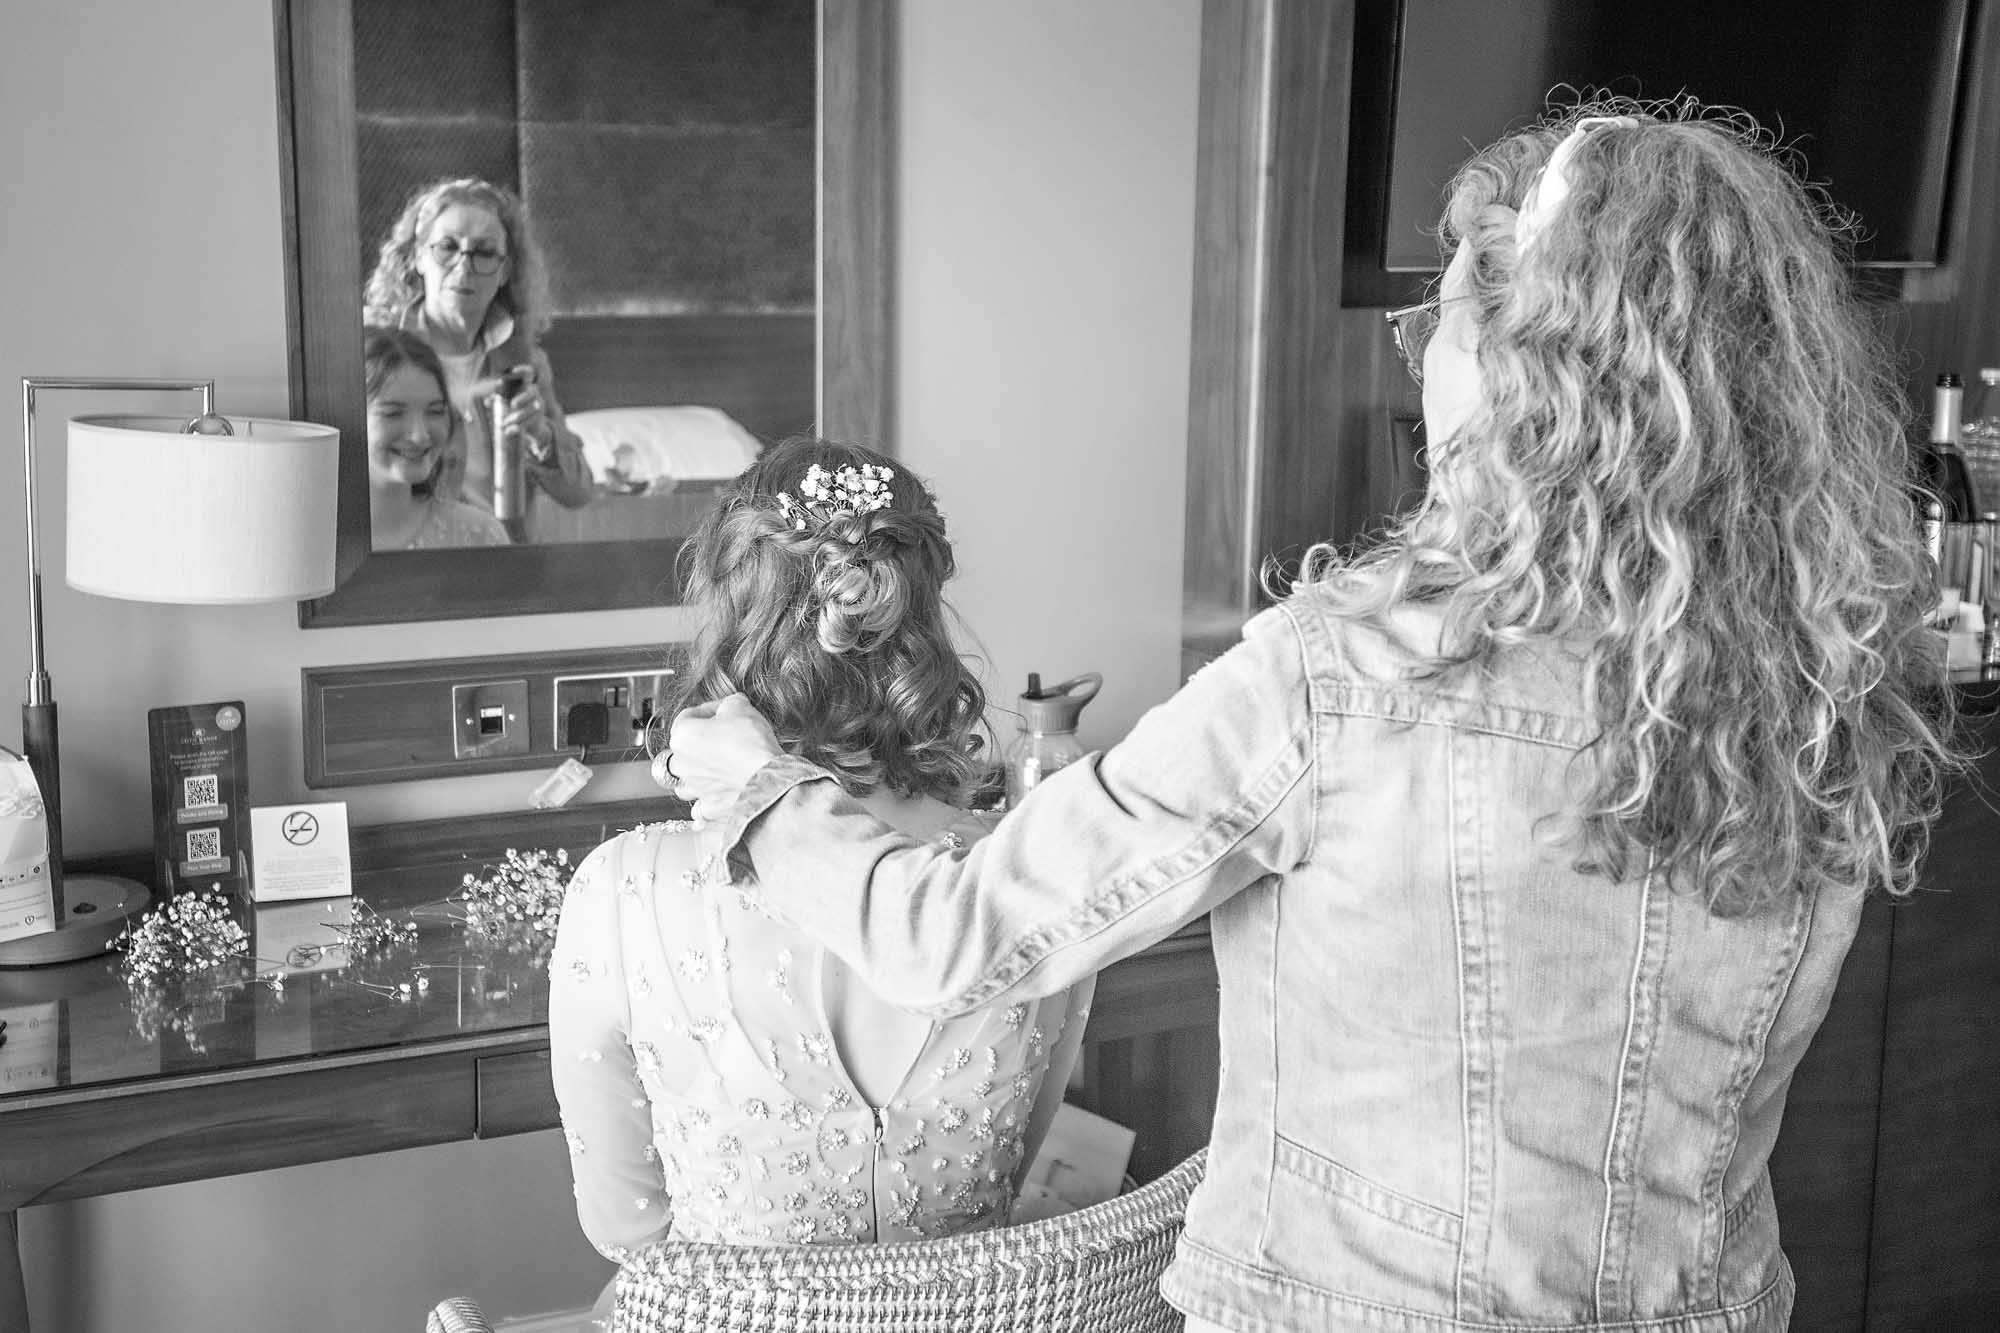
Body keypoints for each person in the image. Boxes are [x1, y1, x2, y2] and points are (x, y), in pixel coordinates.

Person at [664, 101, 1964, 1332]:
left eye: (1443, 315)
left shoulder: (1344, 683)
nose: (1422, 354)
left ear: (1531, 361)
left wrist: (757, 784)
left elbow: (950, 938)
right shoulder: (1819, 695)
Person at [549, 438, 1094, 1262]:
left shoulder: (623, 888)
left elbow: (624, 1230)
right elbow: (1013, 1172)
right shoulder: (1031, 876)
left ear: (733, 617)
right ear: (919, 617)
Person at [363, 176, 593, 526]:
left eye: (484, 252)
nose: (464, 267)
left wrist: (540, 434)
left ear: (505, 272)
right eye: (447, 248)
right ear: (418, 258)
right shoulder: (374, 351)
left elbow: (578, 492)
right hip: (406, 553)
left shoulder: (525, 363)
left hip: (502, 560)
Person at [362, 325, 511, 551]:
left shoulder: (480, 537)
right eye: (392, 413)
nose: (419, 436)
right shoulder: (304, 540)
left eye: (435, 411)